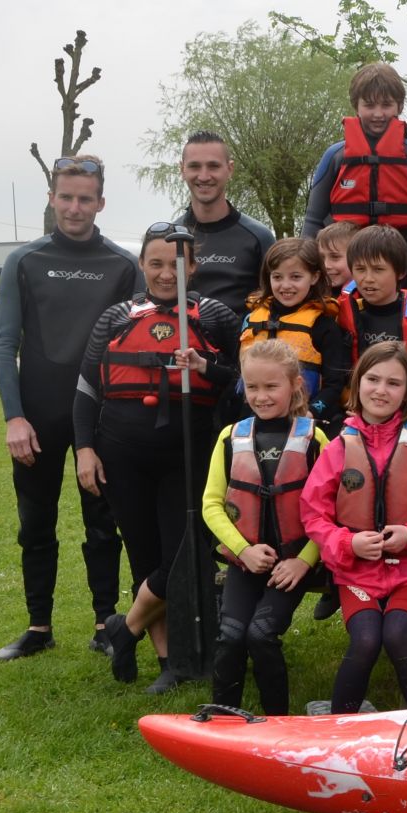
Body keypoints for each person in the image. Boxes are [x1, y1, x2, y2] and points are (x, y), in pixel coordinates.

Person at [0, 154, 140, 662]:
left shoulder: (123, 265)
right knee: (35, 524)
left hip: (99, 420)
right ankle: (38, 627)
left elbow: (135, 346)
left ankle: (105, 623)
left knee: (102, 523)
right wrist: (14, 417)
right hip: (35, 419)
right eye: (66, 197)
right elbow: (5, 343)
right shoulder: (24, 261)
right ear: (52, 199)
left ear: (100, 203)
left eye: (85, 199)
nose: (75, 208)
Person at [83, 224, 241, 693]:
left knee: (183, 554)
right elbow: (86, 386)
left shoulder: (214, 317)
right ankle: (169, 660)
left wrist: (204, 366)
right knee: (144, 554)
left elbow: (240, 380)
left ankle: (124, 628)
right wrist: (84, 448)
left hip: (187, 453)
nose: (165, 273)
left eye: (175, 264)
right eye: (155, 263)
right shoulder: (116, 316)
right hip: (121, 452)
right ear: (142, 265)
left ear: (192, 266)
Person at [300, 342, 407, 714]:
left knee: (397, 634)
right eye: (373, 379)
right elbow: (313, 513)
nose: (381, 390)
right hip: (356, 573)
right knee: (364, 640)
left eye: (393, 383)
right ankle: (339, 728)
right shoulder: (338, 447)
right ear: (358, 384)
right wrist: (346, 543)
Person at [200, 339, 328, 715]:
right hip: (246, 560)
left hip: (294, 565)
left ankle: (277, 722)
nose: (261, 396)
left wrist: (304, 561)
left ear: (295, 386)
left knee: (260, 634)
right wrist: (243, 550)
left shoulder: (314, 439)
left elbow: (331, 512)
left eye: (272, 387)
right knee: (230, 637)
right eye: (252, 387)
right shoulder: (230, 437)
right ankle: (223, 721)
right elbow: (211, 505)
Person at [301, 63, 407, 278]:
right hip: (344, 275)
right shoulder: (335, 156)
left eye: (386, 104)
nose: (378, 114)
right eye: (369, 105)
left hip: (404, 274)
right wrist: (306, 270)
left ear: (399, 105)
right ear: (356, 106)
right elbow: (313, 221)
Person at [241, 236, 352, 427]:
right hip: (254, 420)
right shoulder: (252, 319)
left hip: (303, 421)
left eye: (295, 277)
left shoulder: (324, 326)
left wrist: (311, 413)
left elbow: (334, 385)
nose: (285, 286)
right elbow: (238, 376)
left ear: (315, 277)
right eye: (277, 277)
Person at [336, 224, 407, 414]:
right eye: (360, 269)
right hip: (360, 412)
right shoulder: (344, 314)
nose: (368, 278)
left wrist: (401, 407)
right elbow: (335, 379)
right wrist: (361, 406)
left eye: (378, 269)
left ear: (401, 272)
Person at [173, 130, 274, 319]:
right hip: (183, 346)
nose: (203, 176)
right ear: (182, 170)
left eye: (213, 166)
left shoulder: (259, 238)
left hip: (245, 346)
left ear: (230, 169)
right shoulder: (170, 238)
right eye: (194, 166)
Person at [316, 221, 358, 295]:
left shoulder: (368, 299)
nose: (326, 265)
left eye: (335, 257)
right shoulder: (308, 295)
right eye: (321, 257)